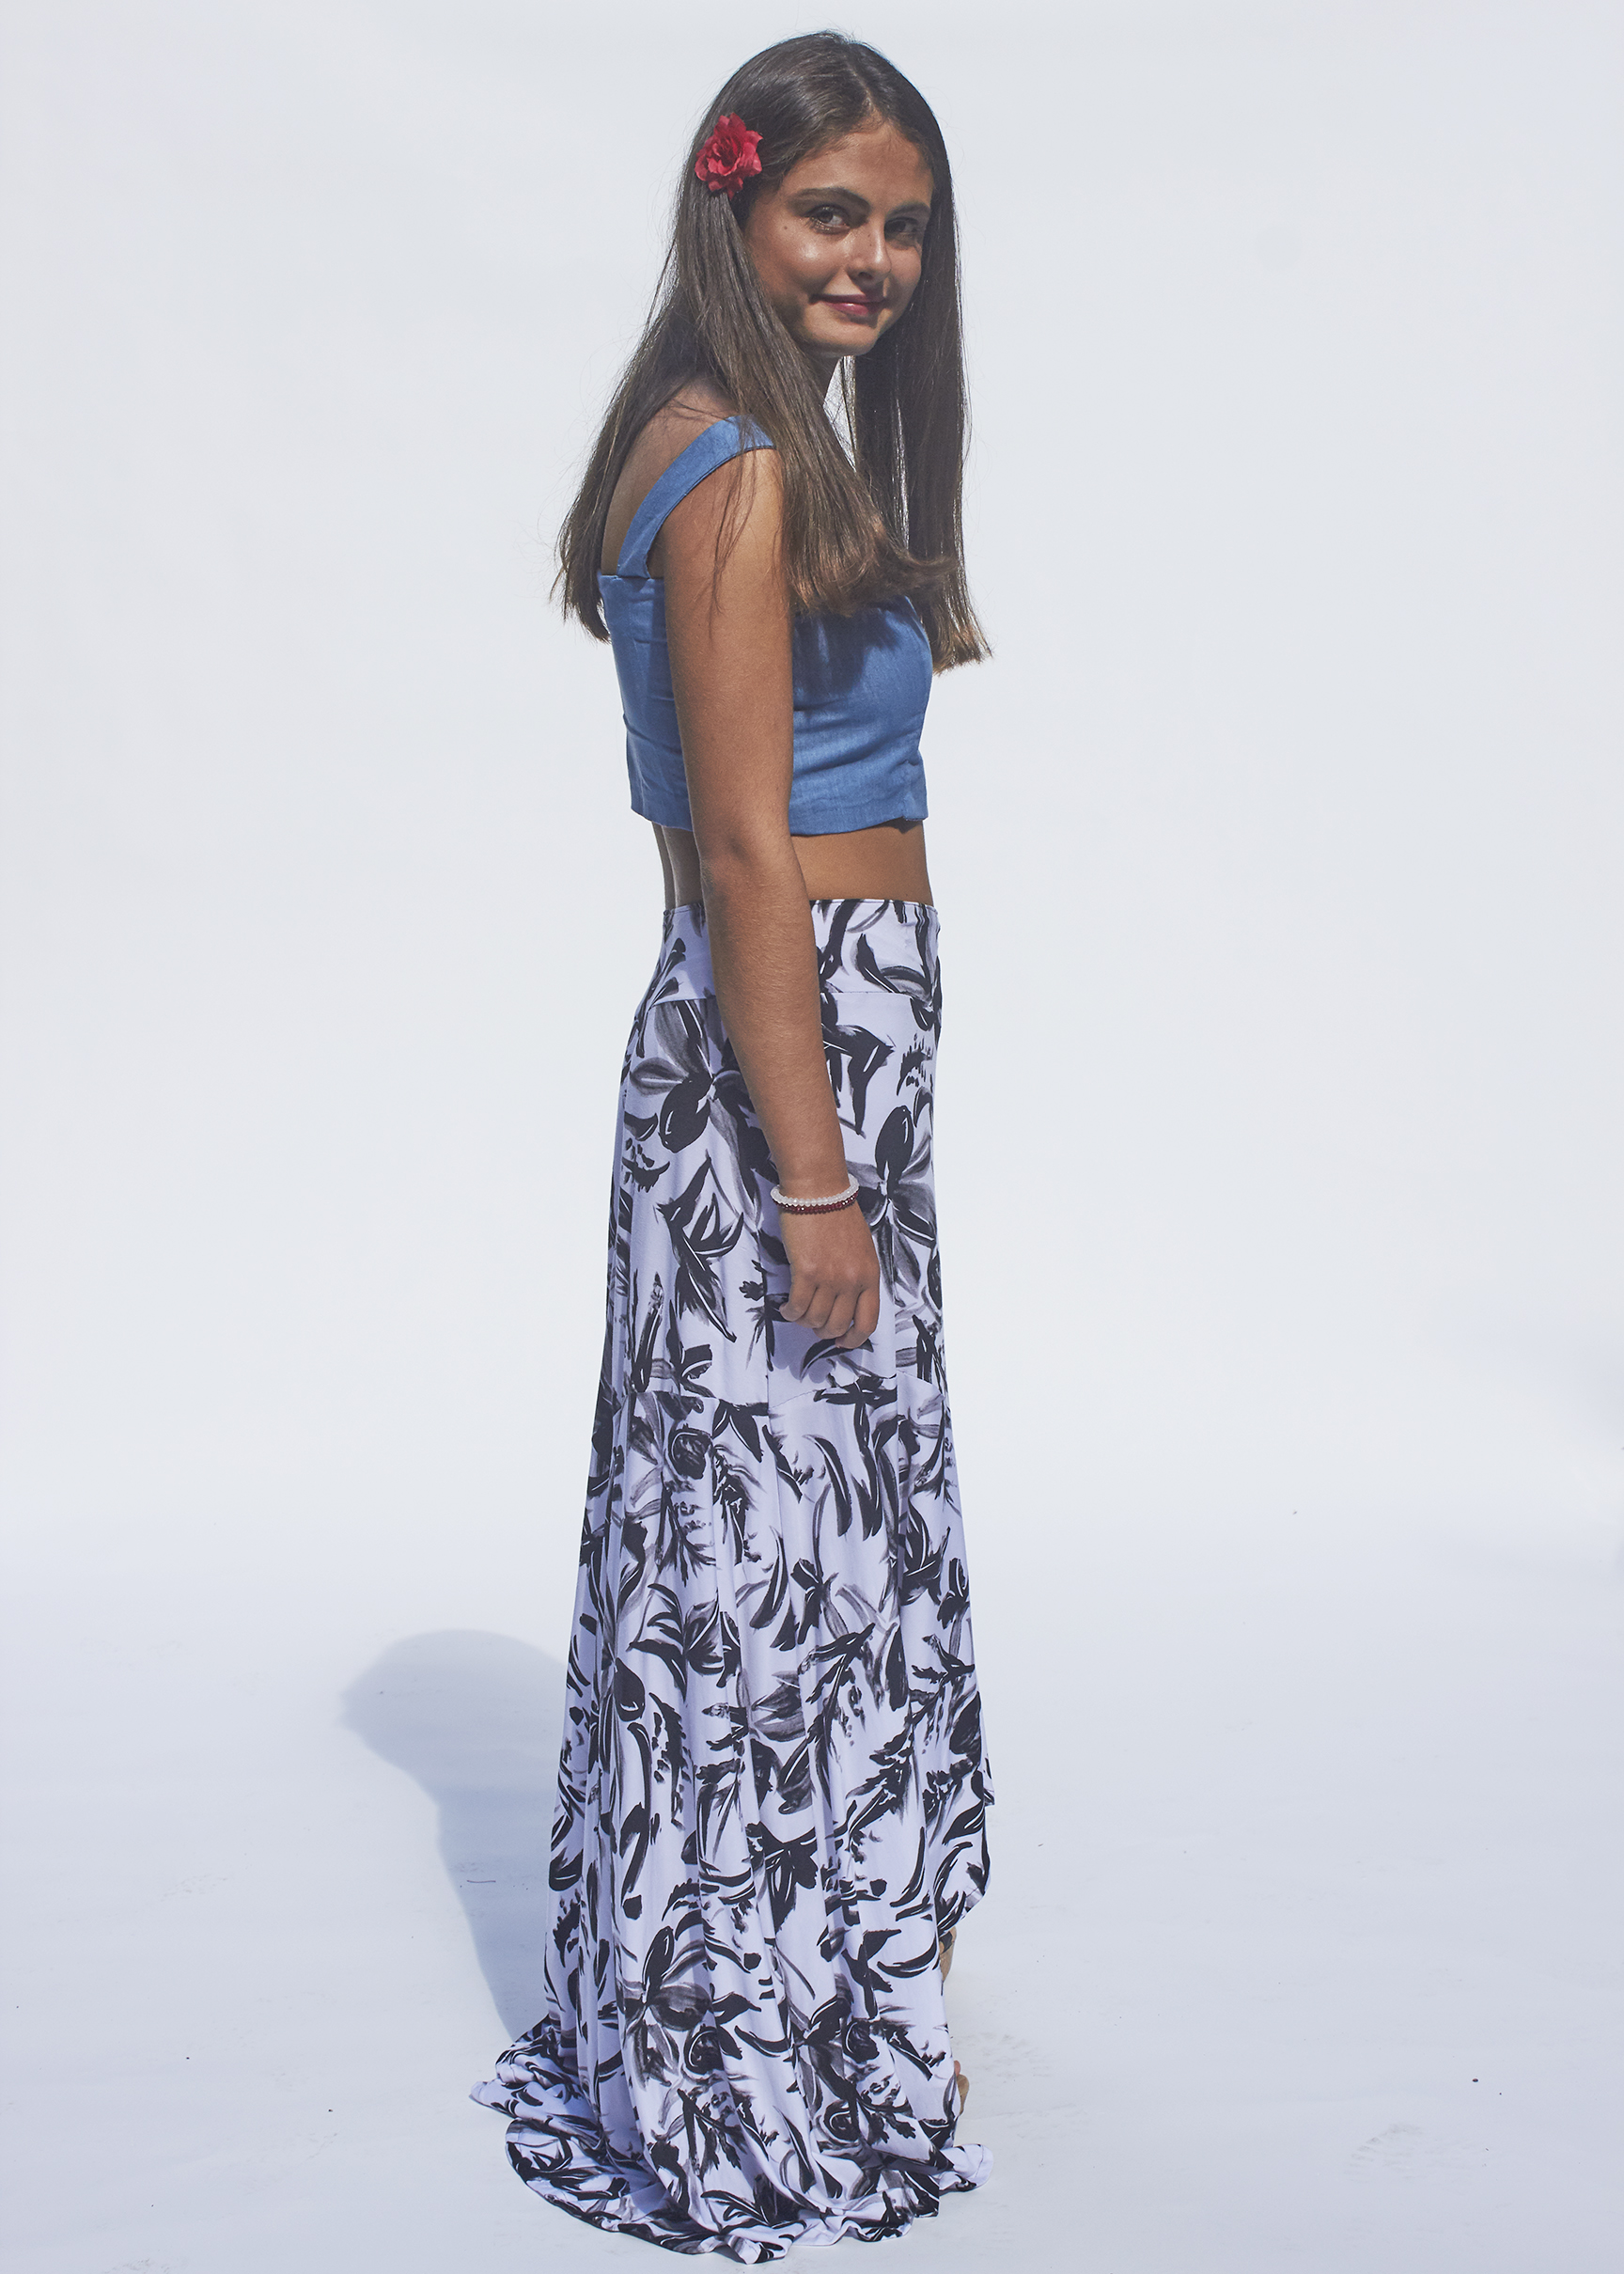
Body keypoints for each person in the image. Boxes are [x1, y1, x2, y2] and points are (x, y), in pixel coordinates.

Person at [473, 33, 993, 2260]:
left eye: (900, 224)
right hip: (801, 1058)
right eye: (829, 216)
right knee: (783, 1535)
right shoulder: (744, 473)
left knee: (766, 1519)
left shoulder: (707, 443)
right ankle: (747, 2022)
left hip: (790, 1047)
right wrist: (808, 1171)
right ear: (738, 213)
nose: (870, 258)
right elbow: (755, 855)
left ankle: (760, 1966)